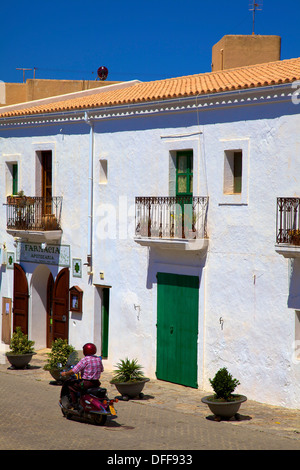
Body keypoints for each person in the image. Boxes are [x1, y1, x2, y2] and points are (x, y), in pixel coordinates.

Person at [61, 343, 104, 408]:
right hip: (96, 383)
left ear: (85, 351)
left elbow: (74, 371)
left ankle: (74, 403)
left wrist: (65, 373)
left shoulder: (85, 360)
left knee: (70, 385)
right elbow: (102, 369)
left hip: (86, 383)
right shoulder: (98, 359)